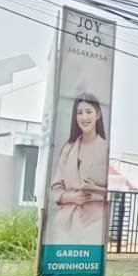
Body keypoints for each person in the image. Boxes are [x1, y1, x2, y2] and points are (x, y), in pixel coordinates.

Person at [47, 93, 109, 241]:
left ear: (98, 114)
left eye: (89, 112)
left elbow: (115, 190)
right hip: (66, 222)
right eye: (79, 113)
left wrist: (95, 189)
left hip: (95, 221)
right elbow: (56, 186)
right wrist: (71, 197)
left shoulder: (106, 148)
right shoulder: (68, 149)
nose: (84, 117)